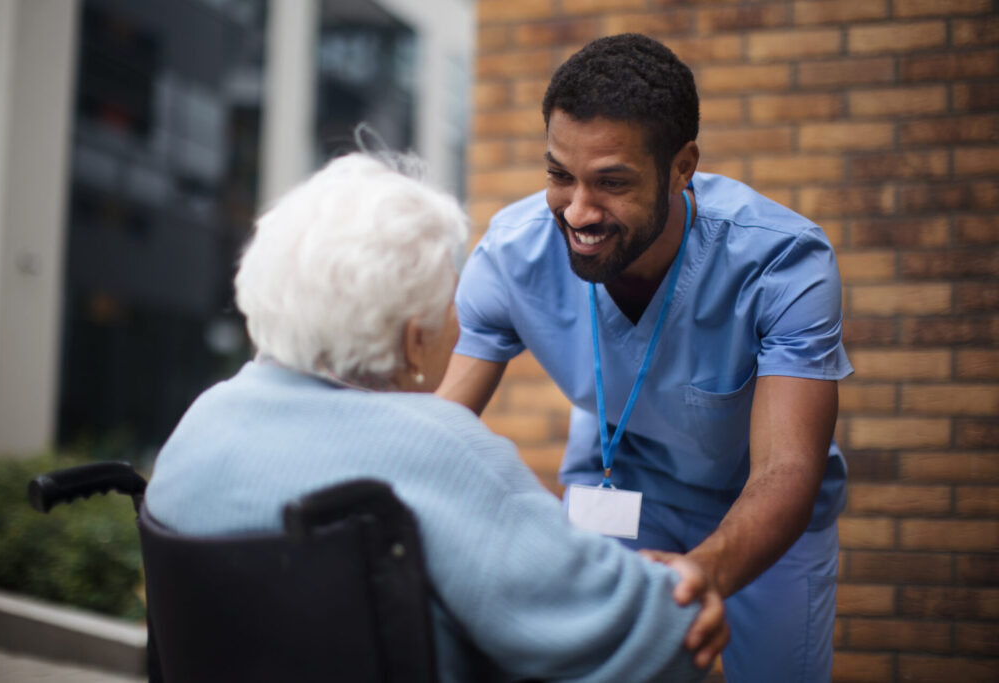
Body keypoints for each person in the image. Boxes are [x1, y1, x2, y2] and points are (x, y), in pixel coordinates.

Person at [145, 152, 727, 682]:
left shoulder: (201, 423)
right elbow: (653, 636)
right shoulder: (434, 448)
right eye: (453, 297)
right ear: (412, 340)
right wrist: (679, 591)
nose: (460, 317)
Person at [439, 34, 852, 682]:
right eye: (558, 175)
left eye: (611, 182)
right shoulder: (511, 256)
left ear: (682, 166)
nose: (577, 210)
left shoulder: (784, 261)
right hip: (620, 485)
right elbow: (440, 425)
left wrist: (704, 571)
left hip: (763, 505)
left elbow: (787, 465)